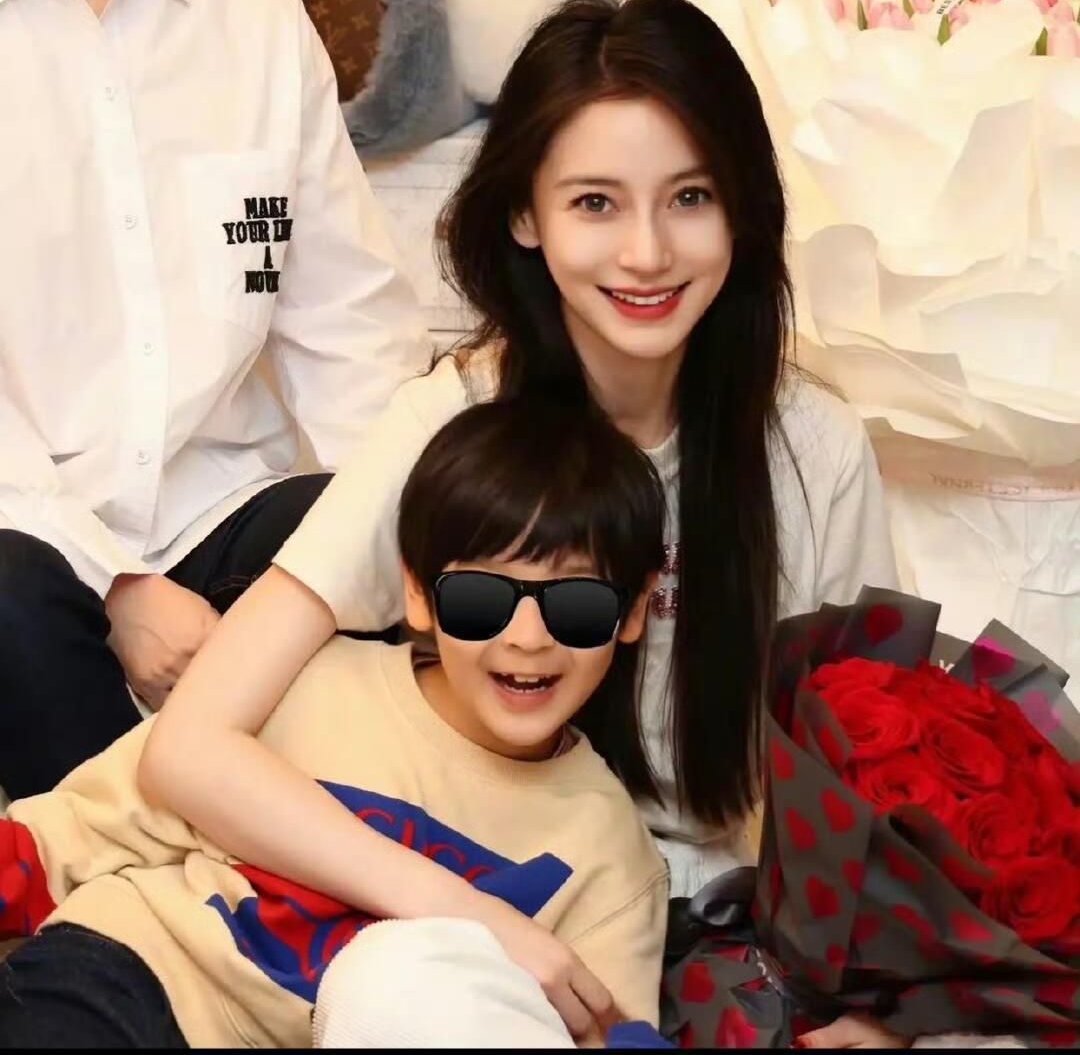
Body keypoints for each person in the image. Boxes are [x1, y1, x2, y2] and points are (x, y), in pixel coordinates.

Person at [140, 0, 904, 1047]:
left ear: (743, 209)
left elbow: (875, 770)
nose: (647, 253)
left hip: (712, 927)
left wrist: (886, 1003)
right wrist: (473, 917)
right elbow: (188, 748)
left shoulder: (813, 448)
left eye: (690, 197)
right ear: (524, 215)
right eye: (595, 203)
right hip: (471, 899)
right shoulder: (450, 421)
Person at [0, 399, 670, 1049]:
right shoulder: (308, 683)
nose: (527, 638)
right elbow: (85, 827)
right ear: (417, 593)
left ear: (634, 610)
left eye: (577, 606)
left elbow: (600, 1026)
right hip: (137, 972)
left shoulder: (607, 853)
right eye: (479, 599)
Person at [0, 0, 427, 800]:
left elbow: (355, 334)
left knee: (392, 532)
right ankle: (128, 866)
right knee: (7, 595)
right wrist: (117, 587)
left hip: (215, 509)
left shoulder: (260, 22)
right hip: (24, 526)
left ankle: (277, 854)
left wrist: (410, 538)